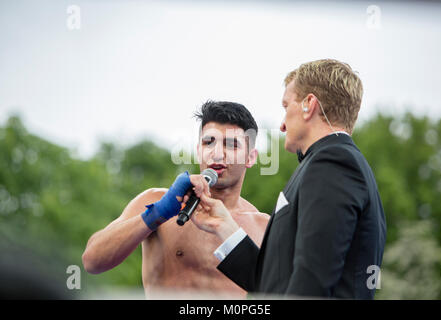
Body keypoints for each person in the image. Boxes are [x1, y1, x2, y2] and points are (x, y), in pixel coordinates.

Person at [190, 59, 387, 299]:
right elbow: (275, 282)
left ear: (309, 104)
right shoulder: (333, 161)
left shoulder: (332, 162)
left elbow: (311, 283)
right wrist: (224, 225)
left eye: (286, 106)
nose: (282, 125)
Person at [82, 101, 270, 299]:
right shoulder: (154, 200)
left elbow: (284, 292)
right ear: (199, 150)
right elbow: (92, 261)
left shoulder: (263, 227)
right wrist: (156, 213)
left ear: (250, 157)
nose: (217, 153)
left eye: (230, 144)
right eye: (209, 142)